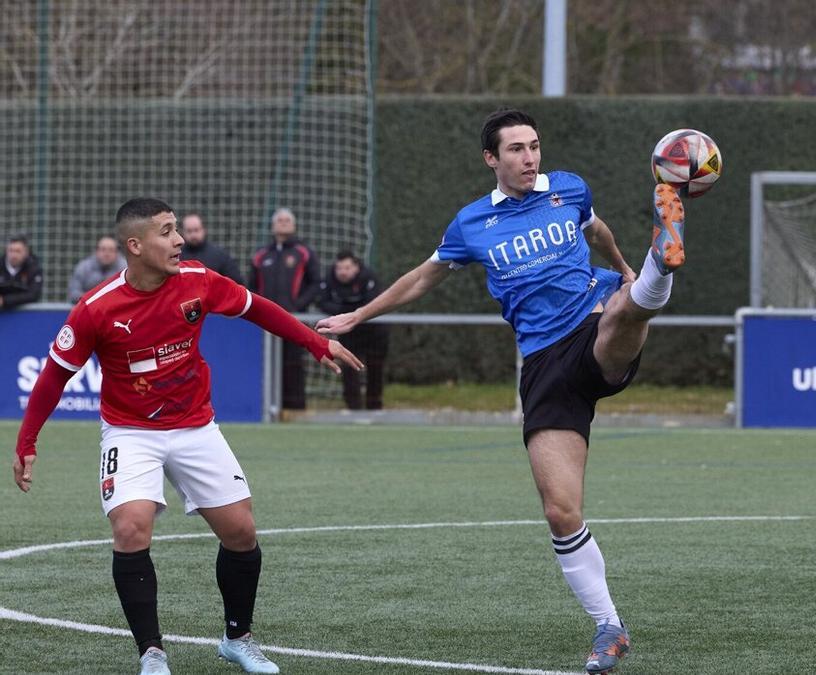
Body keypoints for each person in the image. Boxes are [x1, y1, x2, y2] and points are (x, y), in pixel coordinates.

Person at [317, 108, 687, 674]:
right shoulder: (471, 224)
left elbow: (597, 228)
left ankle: (659, 262)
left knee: (624, 315)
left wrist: (620, 265)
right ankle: (609, 628)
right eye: (515, 149)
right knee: (561, 512)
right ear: (492, 158)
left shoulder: (568, 190)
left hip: (593, 320)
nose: (529, 157)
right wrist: (357, 316)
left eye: (534, 146)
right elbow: (422, 276)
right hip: (544, 365)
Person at [11, 198, 362, 675]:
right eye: (166, 231)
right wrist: (26, 442)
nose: (178, 240)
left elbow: (256, 308)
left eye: (177, 229)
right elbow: (54, 375)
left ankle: (238, 638)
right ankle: (152, 654)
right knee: (131, 527)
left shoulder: (199, 281)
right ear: (135, 246)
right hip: (131, 432)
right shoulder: (96, 309)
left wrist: (315, 342)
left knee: (241, 532)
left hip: (196, 426)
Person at [248, 208, 322, 410]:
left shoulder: (304, 253)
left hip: (294, 321)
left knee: (293, 364)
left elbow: (316, 283)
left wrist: (298, 307)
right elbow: (251, 287)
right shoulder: (261, 256)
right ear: (272, 226)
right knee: (266, 365)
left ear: (294, 224)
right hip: (266, 324)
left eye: (287, 220)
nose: (283, 223)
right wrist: (258, 312)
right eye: (279, 220)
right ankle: (267, 408)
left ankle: (295, 409)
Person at [316, 250, 388, 410]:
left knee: (375, 367)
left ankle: (374, 406)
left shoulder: (368, 278)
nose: (343, 272)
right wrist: (348, 310)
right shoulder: (329, 279)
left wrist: (349, 311)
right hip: (349, 332)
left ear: (356, 267)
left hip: (374, 330)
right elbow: (322, 302)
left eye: (347, 268)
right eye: (339, 268)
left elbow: (373, 304)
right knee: (349, 367)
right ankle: (353, 406)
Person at [180, 212, 245, 286]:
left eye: (196, 230)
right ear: (183, 232)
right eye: (189, 231)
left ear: (204, 230)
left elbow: (236, 283)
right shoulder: (177, 255)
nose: (193, 235)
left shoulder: (220, 255)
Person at [69, 235, 128, 302]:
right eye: (103, 249)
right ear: (96, 251)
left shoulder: (125, 268)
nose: (107, 254)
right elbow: (74, 293)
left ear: (117, 252)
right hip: (89, 307)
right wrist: (95, 300)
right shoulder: (84, 267)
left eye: (111, 250)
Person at [0, 234, 44, 311]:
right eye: (11, 250)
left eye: (18, 251)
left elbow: (33, 294)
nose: (14, 255)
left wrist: (4, 300)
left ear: (26, 252)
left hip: (25, 316)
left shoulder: (34, 268)